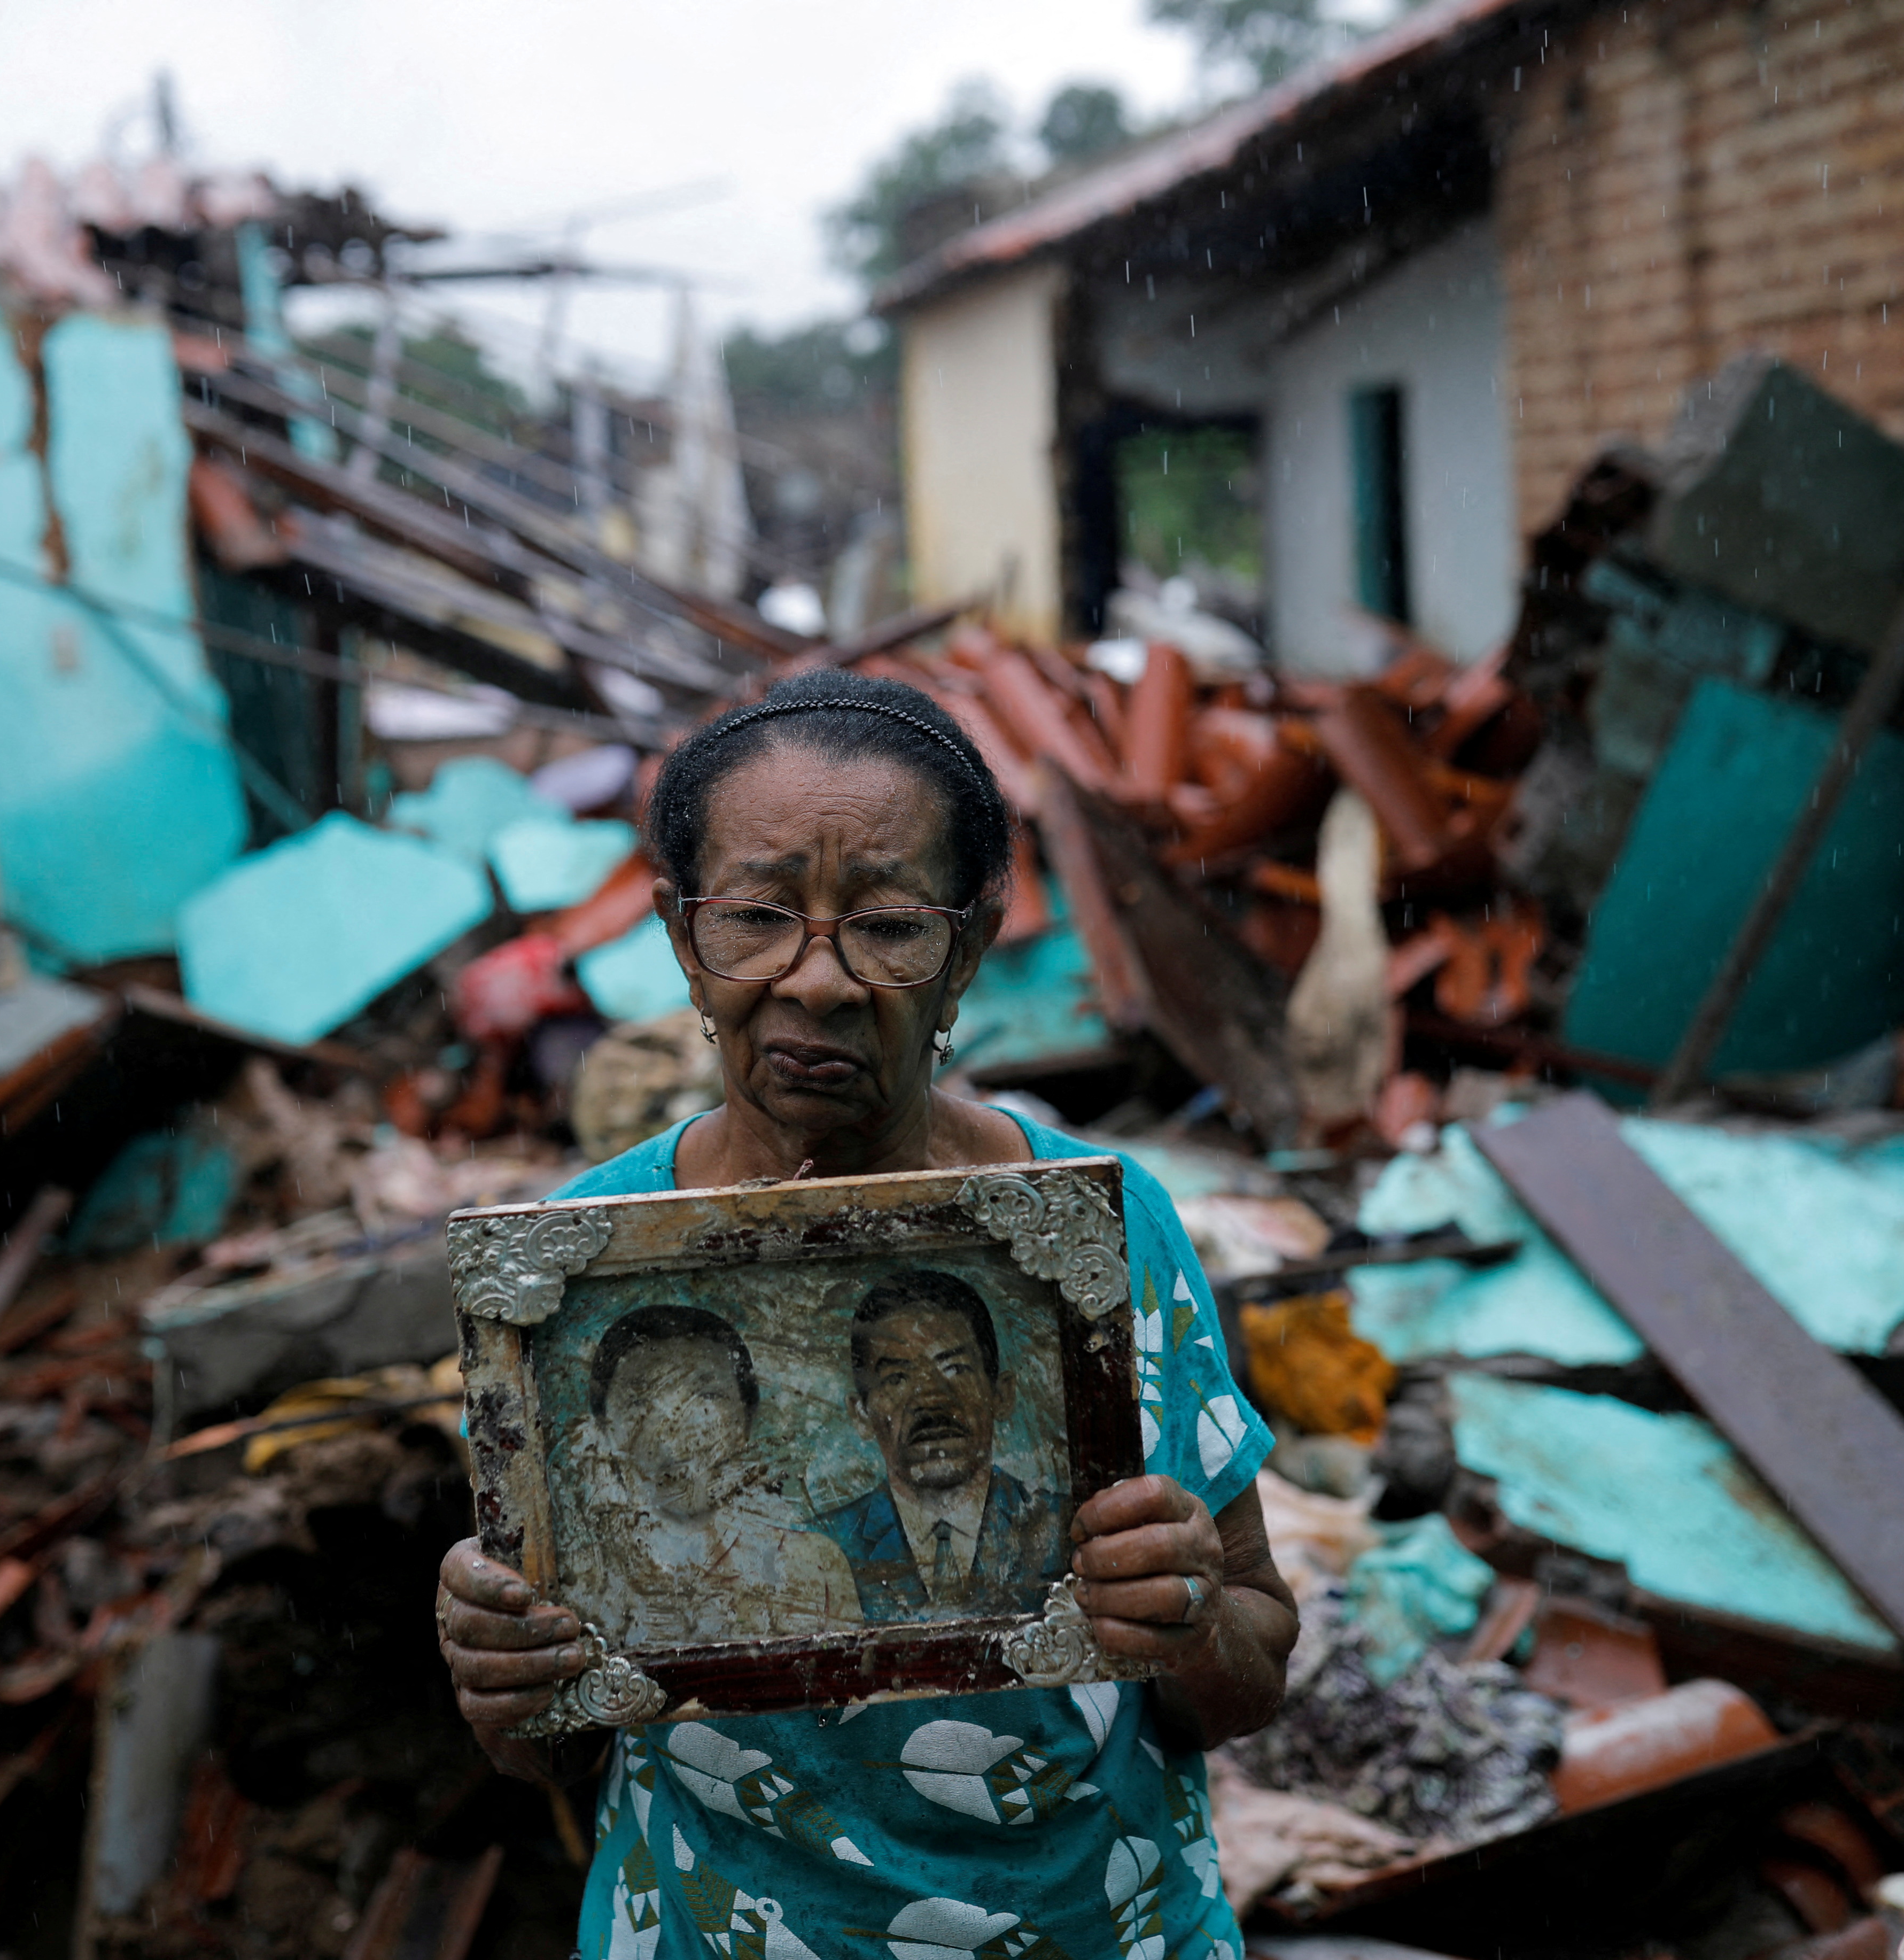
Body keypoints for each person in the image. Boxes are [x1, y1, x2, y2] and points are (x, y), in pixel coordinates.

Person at [436, 672, 1298, 1960]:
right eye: (756, 915)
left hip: (1093, 1922)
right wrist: (502, 1674)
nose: (819, 979)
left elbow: (1248, 1661)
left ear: (975, 931)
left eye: (888, 924)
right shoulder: (577, 1273)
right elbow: (549, 1740)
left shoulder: (1101, 1230)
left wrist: (1185, 1614)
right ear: (680, 930)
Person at [579, 1303, 859, 1642]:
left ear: (747, 1419)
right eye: (642, 1401)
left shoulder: (813, 1566)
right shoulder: (587, 1579)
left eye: (706, 1396)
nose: (674, 1426)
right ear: (605, 1430)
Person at [816, 1269, 1067, 1619]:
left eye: (956, 1369)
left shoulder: (1066, 1530)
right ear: (861, 1414)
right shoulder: (822, 1547)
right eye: (898, 1378)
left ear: (1001, 1394)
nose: (932, 1399)